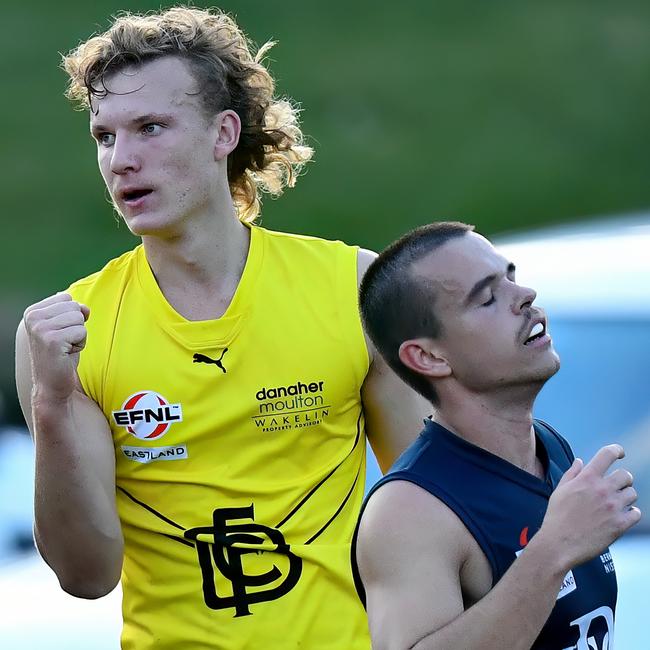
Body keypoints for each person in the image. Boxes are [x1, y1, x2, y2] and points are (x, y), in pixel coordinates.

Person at [14, 7, 428, 649]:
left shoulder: (350, 287)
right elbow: (86, 575)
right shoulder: (69, 333)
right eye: (104, 136)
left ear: (223, 133)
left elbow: (429, 514)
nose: (122, 160)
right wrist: (52, 404)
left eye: (150, 127)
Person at [353, 221, 641, 650]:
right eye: (488, 297)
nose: (524, 296)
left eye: (511, 277)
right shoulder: (409, 510)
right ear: (429, 357)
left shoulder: (549, 446)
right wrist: (553, 550)